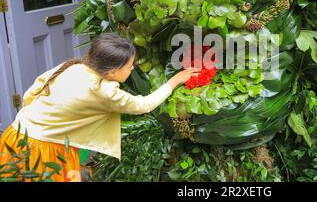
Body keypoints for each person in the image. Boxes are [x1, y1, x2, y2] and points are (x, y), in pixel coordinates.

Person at [0, 33, 200, 182]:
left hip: (16, 136)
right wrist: (173, 82)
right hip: (43, 151)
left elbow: (30, 95)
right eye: (129, 66)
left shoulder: (73, 66)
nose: (132, 69)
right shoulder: (104, 91)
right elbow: (143, 105)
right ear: (113, 72)